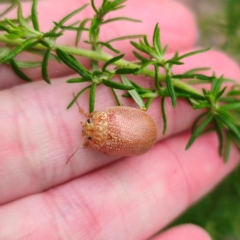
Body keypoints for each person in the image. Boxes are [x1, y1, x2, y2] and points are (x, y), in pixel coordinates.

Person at [0, 0, 239, 239]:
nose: (86, 126)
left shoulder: (104, 129)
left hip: (142, 132)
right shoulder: (105, 126)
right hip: (141, 133)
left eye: (88, 125)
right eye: (89, 127)